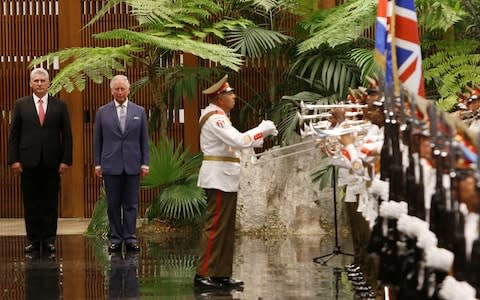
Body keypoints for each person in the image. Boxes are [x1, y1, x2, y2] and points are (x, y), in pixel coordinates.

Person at [194, 75, 277, 290]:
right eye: (230, 94)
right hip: (218, 176)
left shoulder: (220, 116)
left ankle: (220, 273)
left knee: (225, 228)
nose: (234, 97)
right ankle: (204, 273)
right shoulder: (215, 118)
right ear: (219, 97)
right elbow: (238, 140)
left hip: (225, 176)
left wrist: (260, 136)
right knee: (215, 227)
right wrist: (262, 128)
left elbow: (237, 143)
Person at [7, 67, 73, 254]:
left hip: (53, 162)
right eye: (36, 81)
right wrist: (14, 160)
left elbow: (67, 135)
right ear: (30, 83)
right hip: (28, 162)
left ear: (48, 83)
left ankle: (49, 240)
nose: (39, 84)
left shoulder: (60, 106)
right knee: (31, 203)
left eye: (42, 81)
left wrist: (65, 160)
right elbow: (14, 135)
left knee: (50, 203)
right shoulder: (21, 105)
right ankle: (34, 240)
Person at [93, 75, 149, 253]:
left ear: (128, 89)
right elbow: (97, 140)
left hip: (133, 164)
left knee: (131, 204)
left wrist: (145, 163)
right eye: (116, 89)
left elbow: (144, 140)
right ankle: (116, 239)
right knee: (113, 204)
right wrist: (97, 164)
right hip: (110, 164)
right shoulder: (102, 111)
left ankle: (131, 238)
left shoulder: (139, 111)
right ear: (111, 91)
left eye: (122, 88)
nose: (119, 92)